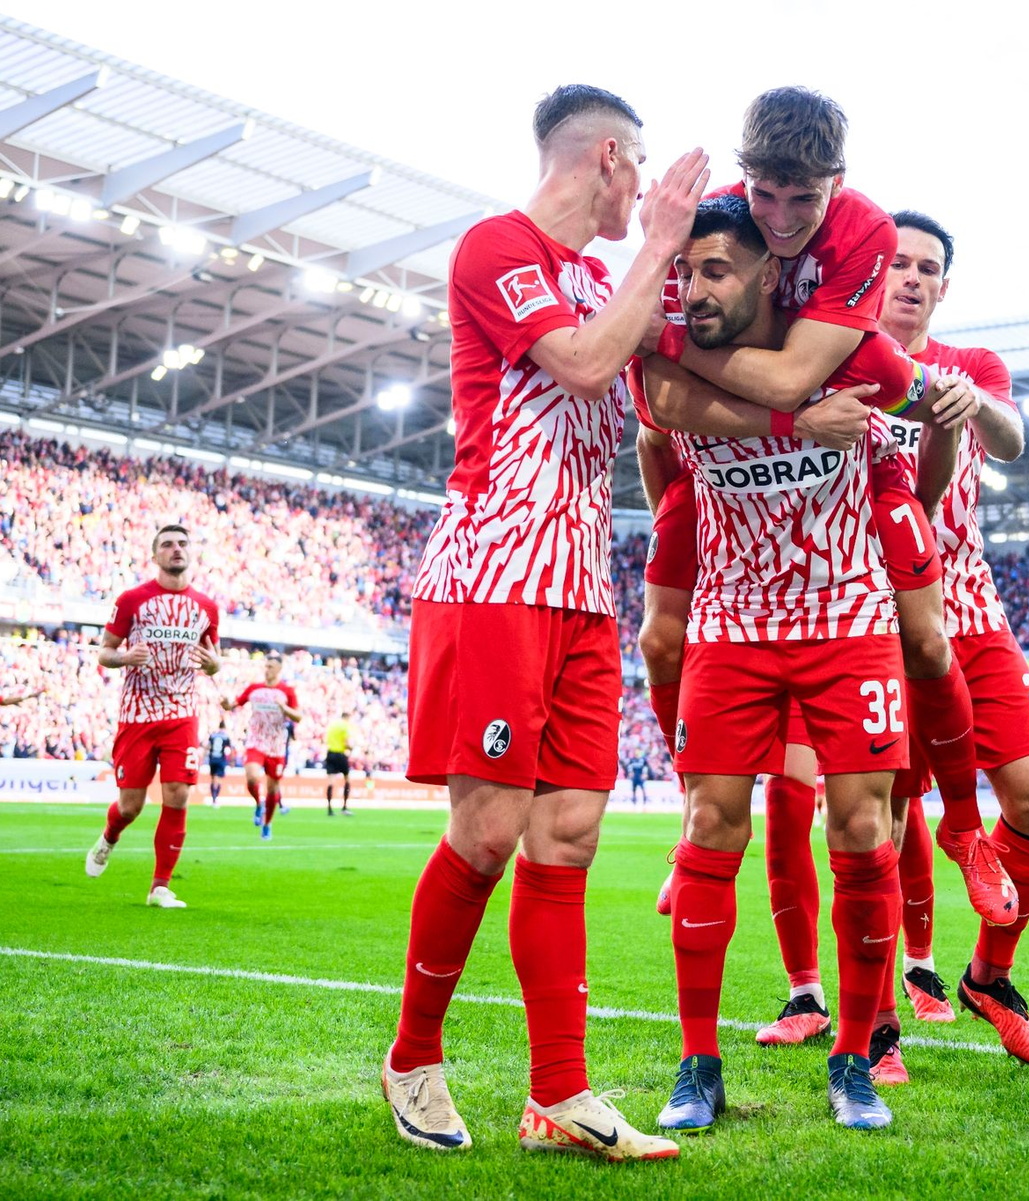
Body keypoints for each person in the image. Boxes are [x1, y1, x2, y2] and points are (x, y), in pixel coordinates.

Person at [382, 83, 708, 1161]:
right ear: (610, 158)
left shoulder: (593, 280)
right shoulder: (497, 246)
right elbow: (576, 362)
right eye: (644, 169)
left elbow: (652, 392)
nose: (649, 192)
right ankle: (413, 1058)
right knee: (483, 832)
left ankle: (558, 1098)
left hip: (579, 586)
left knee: (568, 835)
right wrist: (657, 249)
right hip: (495, 575)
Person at [639, 87, 1012, 939]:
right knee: (659, 637)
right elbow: (657, 408)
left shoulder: (864, 232)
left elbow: (792, 376)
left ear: (836, 186)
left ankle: (964, 826)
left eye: (802, 199)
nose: (778, 217)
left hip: (839, 401)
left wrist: (670, 347)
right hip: (731, 471)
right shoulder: (709, 234)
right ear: (743, 177)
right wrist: (658, 347)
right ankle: (688, 811)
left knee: (925, 635)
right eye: (764, 194)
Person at [640, 195, 942, 1134]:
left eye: (714, 272)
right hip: (732, 626)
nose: (692, 290)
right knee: (710, 824)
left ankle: (854, 1054)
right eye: (684, 272)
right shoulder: (663, 350)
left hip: (847, 616)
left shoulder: (854, 353)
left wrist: (956, 414)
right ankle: (699, 1063)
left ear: (770, 274)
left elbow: (924, 410)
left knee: (861, 829)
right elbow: (659, 426)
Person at [877, 210, 1029, 1068]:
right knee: (874, 818)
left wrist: (974, 402)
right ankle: (876, 1020)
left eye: (928, 268)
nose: (911, 277)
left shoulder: (972, 366)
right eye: (899, 262)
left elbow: (1016, 440)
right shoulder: (834, 358)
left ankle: (990, 976)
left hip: (970, 607)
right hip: (871, 612)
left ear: (944, 287)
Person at [84, 524, 221, 908]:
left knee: (177, 797)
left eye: (182, 544)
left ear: (190, 552)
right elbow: (105, 652)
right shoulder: (132, 600)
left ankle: (159, 887)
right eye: (167, 545)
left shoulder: (207, 607)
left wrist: (214, 666)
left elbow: (213, 659)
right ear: (154, 554)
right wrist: (125, 657)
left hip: (182, 713)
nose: (176, 549)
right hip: (138, 714)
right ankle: (109, 837)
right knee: (131, 806)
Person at [223, 651, 301, 841]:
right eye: (266, 666)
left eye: (271, 667)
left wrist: (284, 708)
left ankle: (267, 824)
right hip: (256, 741)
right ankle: (259, 803)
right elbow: (234, 705)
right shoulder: (254, 688)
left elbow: (298, 716)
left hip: (276, 746)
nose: (267, 670)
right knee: (251, 777)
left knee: (273, 789)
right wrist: (226, 705)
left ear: (279, 669)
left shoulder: (287, 691)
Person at [324, 710, 354, 816]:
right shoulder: (344, 726)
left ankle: (330, 809)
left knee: (331, 782)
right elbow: (346, 743)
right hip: (340, 754)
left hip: (330, 753)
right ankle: (344, 807)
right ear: (347, 717)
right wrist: (351, 747)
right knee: (347, 779)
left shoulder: (332, 725)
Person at [206, 719, 232, 806]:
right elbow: (230, 749)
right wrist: (232, 761)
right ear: (224, 727)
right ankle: (215, 798)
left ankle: (213, 798)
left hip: (212, 759)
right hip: (221, 759)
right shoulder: (226, 736)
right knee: (219, 780)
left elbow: (208, 746)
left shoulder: (213, 735)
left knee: (213, 779)